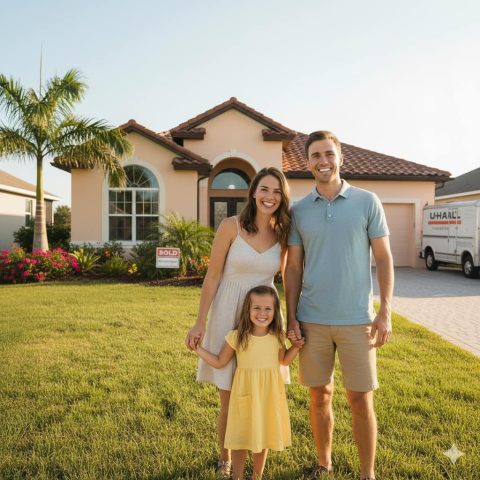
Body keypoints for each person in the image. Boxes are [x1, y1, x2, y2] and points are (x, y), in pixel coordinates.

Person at [285, 131, 394, 480]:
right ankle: (324, 463)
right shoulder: (299, 211)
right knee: (320, 397)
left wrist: (385, 310)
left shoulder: (367, 201)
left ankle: (367, 474)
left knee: (361, 399)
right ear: (307, 162)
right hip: (312, 319)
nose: (323, 161)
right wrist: (292, 317)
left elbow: (384, 257)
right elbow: (293, 268)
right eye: (315, 155)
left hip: (357, 320)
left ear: (340, 157)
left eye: (329, 154)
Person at [185, 167, 291, 478]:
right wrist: (199, 322)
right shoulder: (231, 226)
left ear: (282, 197)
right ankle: (225, 459)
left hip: (264, 318)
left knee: (258, 396)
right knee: (230, 395)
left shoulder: (283, 232)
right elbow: (213, 275)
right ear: (253, 192)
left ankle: (255, 461)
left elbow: (286, 277)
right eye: (264, 189)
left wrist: (292, 319)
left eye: (276, 191)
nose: (269, 196)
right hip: (228, 310)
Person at [194, 285, 303, 480]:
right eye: (257, 308)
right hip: (244, 394)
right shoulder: (237, 336)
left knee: (263, 436)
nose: (262, 313)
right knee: (240, 437)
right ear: (248, 310)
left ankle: (256, 476)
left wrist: (295, 347)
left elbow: (284, 361)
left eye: (268, 309)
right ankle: (237, 476)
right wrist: (198, 350)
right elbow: (220, 362)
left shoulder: (277, 336)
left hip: (268, 396)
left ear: (275, 311)